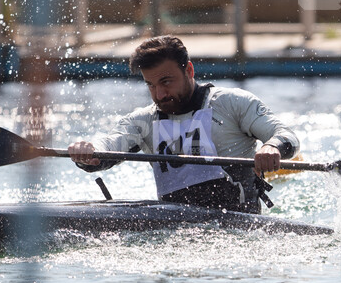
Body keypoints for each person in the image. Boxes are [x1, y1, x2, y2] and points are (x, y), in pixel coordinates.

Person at [68, 36, 299, 214]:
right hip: (176, 230)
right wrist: (88, 151)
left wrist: (273, 147)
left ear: (189, 70)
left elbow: (285, 134)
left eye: (166, 82)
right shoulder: (144, 120)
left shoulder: (233, 103)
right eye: (151, 85)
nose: (159, 94)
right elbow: (110, 143)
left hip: (240, 227)